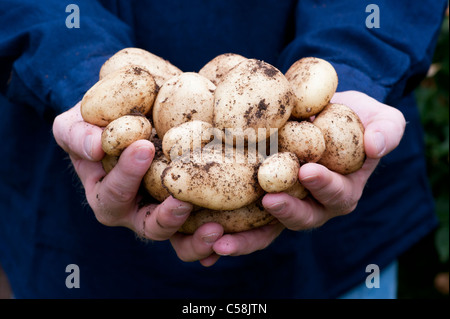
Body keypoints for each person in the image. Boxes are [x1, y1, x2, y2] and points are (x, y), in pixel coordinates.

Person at [0, 0, 447, 298]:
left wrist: (354, 66)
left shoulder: (302, 136)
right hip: (83, 250)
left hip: (340, 254)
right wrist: (78, 71)